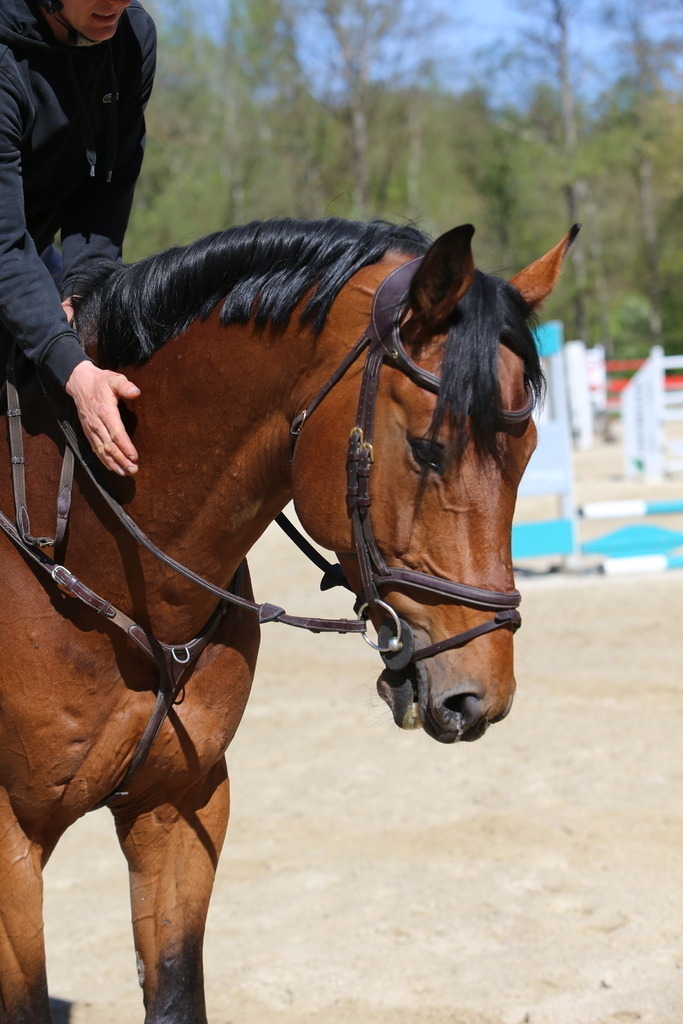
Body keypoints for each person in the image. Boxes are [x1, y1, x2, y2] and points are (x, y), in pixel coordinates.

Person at [0, 0, 157, 477]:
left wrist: (82, 291)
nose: (115, 2)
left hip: (31, 248)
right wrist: (70, 365)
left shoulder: (131, 37)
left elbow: (105, 192)